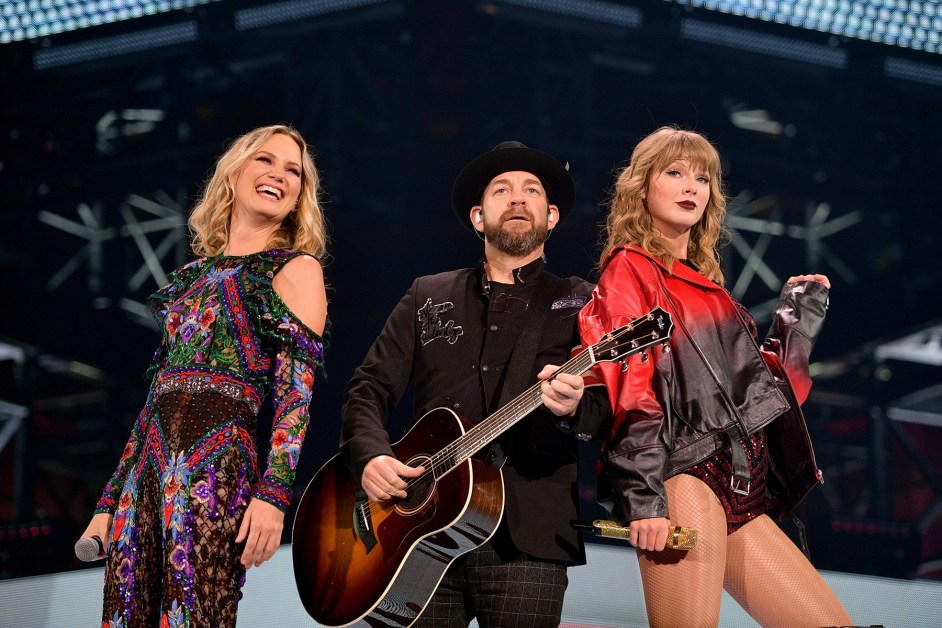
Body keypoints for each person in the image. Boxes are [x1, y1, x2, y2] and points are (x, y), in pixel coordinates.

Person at [578, 126, 854, 627]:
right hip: (687, 473)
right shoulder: (630, 269)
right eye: (675, 173)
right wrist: (643, 497)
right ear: (643, 187)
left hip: (742, 485)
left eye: (702, 178)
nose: (691, 187)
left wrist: (797, 322)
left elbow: (766, 397)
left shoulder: (713, 291)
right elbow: (630, 387)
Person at [340, 141, 612, 628]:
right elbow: (368, 387)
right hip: (416, 534)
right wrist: (371, 457)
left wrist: (574, 407)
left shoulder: (582, 302)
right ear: (477, 217)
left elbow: (608, 411)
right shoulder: (429, 293)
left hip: (527, 539)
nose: (517, 198)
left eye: (531, 190)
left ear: (551, 217)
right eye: (501, 190)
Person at [79, 124, 329, 627]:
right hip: (145, 475)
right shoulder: (187, 282)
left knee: (196, 614)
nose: (280, 175)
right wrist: (109, 499)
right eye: (265, 161)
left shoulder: (296, 269)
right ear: (234, 174)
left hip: (215, 471)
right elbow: (155, 400)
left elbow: (294, 397)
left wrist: (273, 494)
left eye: (293, 172)